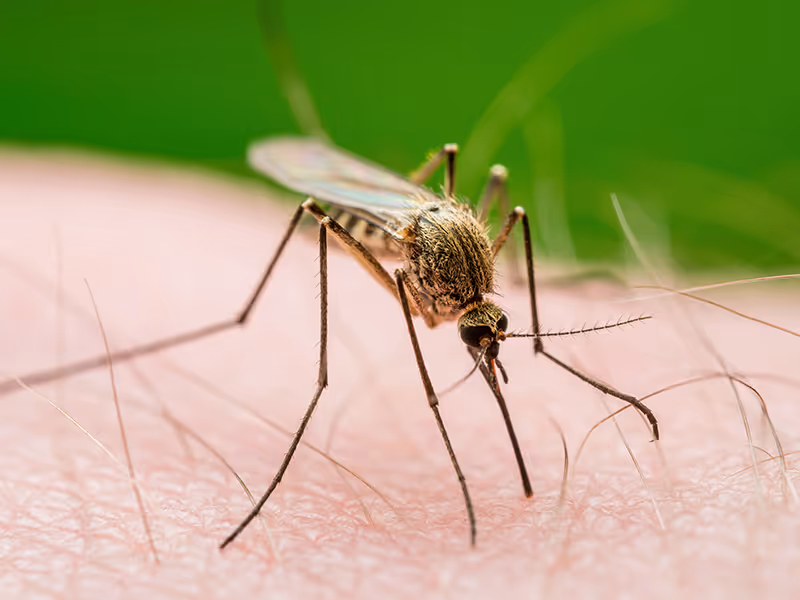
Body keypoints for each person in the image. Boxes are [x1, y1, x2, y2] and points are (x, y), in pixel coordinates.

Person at [1, 149, 797, 597]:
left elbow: (479, 275)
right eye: (486, 338)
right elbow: (427, 304)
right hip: (400, 236)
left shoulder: (478, 292)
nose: (485, 348)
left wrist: (532, 334)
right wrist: (426, 289)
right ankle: (237, 323)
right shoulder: (445, 290)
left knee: (497, 198)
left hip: (438, 240)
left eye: (490, 336)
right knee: (329, 220)